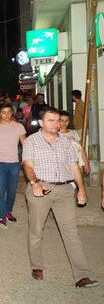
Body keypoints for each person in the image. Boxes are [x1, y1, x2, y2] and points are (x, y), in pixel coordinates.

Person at [21, 107, 98, 288]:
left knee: (71, 232)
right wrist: (35, 183)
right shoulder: (31, 141)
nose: (56, 124)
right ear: (41, 122)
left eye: (58, 120)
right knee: (36, 230)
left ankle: (82, 275)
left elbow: (73, 166)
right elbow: (28, 166)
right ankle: (37, 265)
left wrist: (81, 190)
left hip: (64, 190)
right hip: (41, 188)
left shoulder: (66, 141)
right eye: (51, 120)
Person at [58, 110, 90, 175]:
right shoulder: (55, 134)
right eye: (62, 120)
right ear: (58, 121)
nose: (64, 123)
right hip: (62, 166)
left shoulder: (73, 133)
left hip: (76, 164)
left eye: (66, 121)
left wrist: (86, 164)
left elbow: (81, 149)